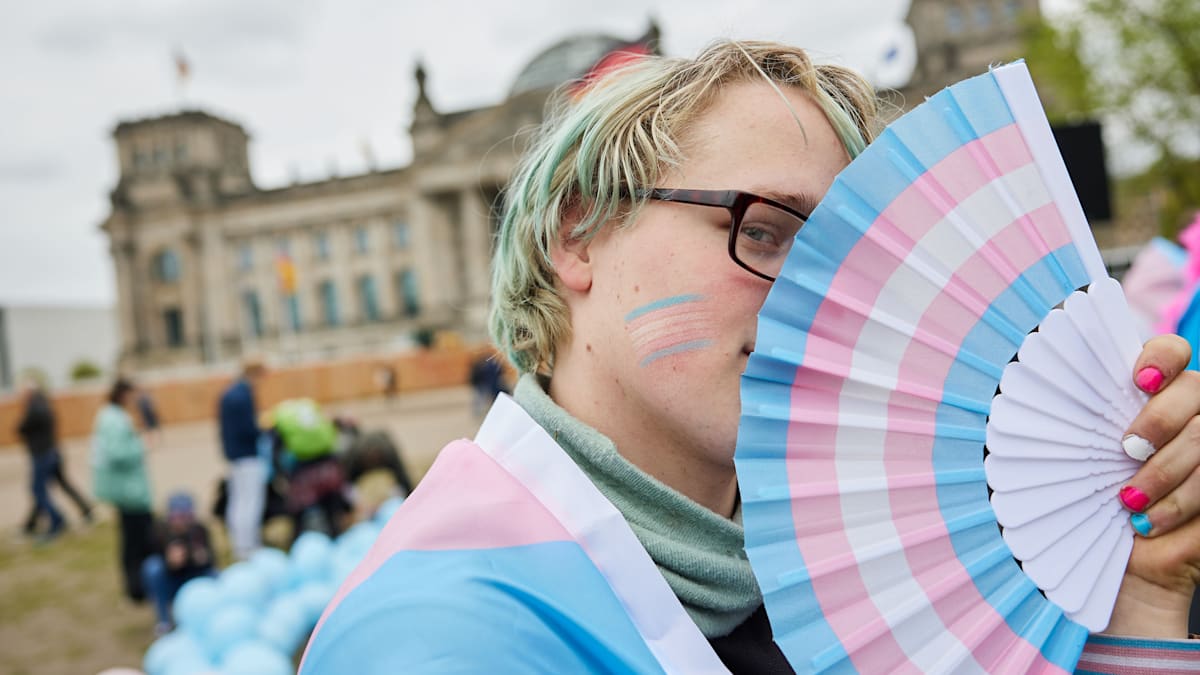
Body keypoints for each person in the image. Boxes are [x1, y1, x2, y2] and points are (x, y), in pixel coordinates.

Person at [301, 41, 1200, 672]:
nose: (821, 298)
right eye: (764, 230)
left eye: (847, 257)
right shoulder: (439, 640)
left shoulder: (829, 573)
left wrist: (1142, 611)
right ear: (577, 238)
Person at [92, 377, 155, 601]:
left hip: (128, 489)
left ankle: (141, 585)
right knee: (138, 540)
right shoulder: (114, 419)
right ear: (124, 394)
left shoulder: (111, 416)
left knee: (136, 539)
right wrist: (141, 444)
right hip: (129, 491)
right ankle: (137, 587)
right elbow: (117, 453)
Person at [17, 378, 93, 539]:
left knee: (38, 489)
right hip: (53, 452)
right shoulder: (45, 404)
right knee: (57, 485)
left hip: (43, 454)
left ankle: (57, 520)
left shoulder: (34, 408)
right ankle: (30, 523)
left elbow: (21, 428)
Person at [141, 491, 216, 636]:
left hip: (194, 578)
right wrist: (170, 561)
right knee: (152, 567)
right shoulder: (160, 531)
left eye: (186, 517)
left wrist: (198, 559)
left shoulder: (200, 531)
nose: (181, 522)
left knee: (215, 575)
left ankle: (210, 613)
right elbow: (152, 556)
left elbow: (211, 562)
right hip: (170, 580)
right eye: (176, 517)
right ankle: (164, 619)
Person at [219, 357, 267, 560]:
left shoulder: (229, 393)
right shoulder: (243, 395)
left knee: (238, 501)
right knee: (250, 501)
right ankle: (248, 546)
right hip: (247, 455)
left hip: (234, 455)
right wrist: (263, 430)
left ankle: (239, 544)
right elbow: (249, 428)